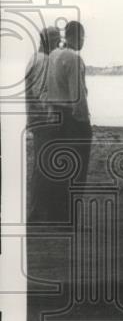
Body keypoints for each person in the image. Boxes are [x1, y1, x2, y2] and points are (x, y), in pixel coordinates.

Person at [43, 21, 92, 222]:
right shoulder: (73, 58)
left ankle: (56, 215)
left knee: (59, 169)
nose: (83, 42)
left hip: (55, 116)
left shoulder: (53, 55)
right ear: (76, 36)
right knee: (77, 170)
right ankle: (68, 218)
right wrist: (85, 121)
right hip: (72, 119)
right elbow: (77, 96)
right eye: (82, 38)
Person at [25, 26, 61, 222]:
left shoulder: (34, 58)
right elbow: (42, 93)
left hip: (36, 119)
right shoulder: (44, 61)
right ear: (49, 41)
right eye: (56, 39)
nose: (58, 44)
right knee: (43, 165)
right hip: (44, 120)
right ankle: (36, 212)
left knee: (42, 164)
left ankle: (38, 210)